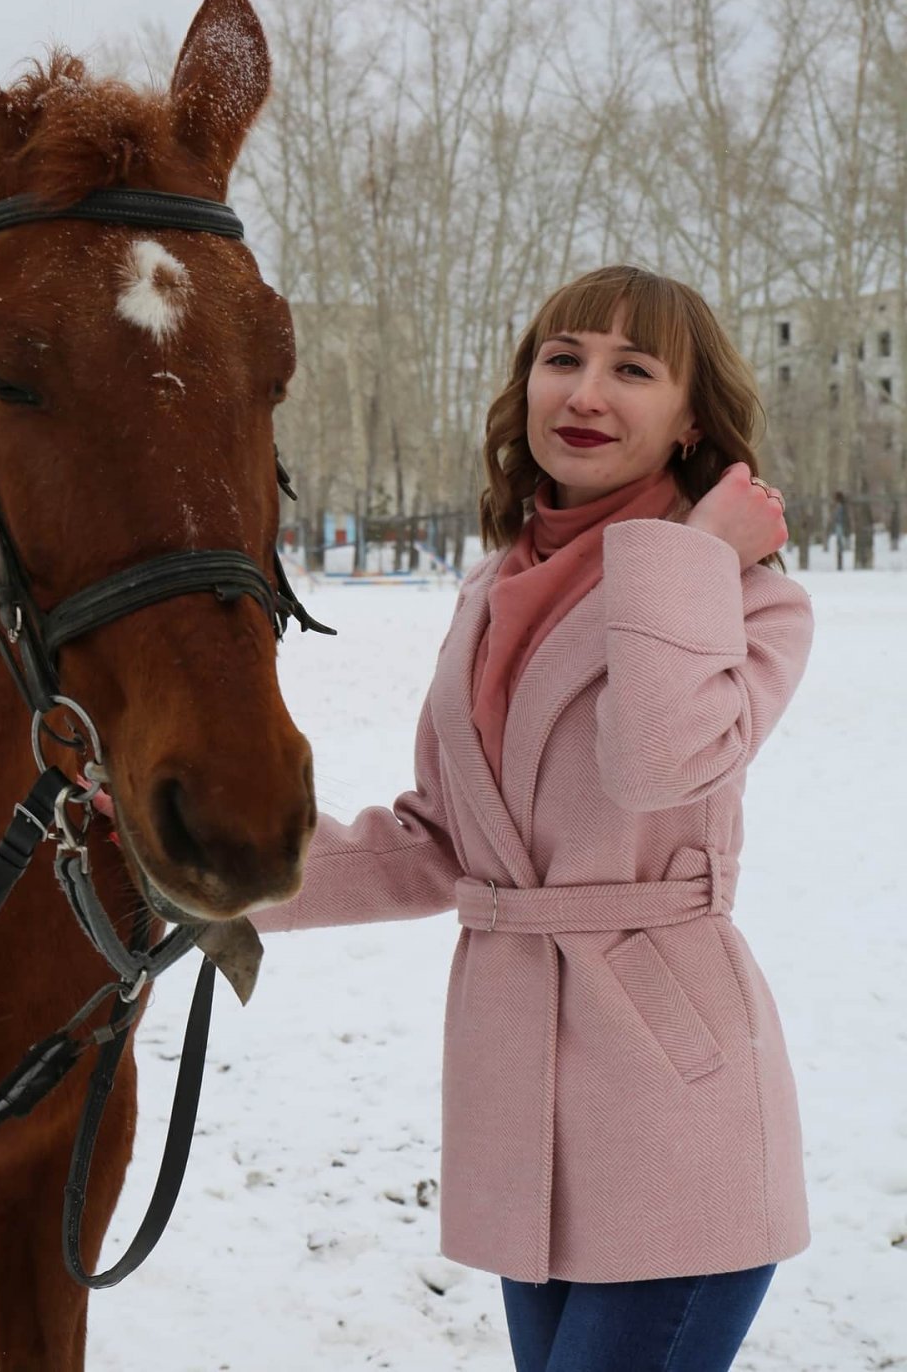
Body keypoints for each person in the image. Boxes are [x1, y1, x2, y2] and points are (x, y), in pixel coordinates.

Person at [251, 265, 812, 1372]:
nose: (585, 392)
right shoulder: (494, 590)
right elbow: (440, 843)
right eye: (564, 358)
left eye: (633, 369)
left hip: (671, 1112)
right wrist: (202, 870)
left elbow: (655, 761)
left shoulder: (749, 600)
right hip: (521, 1119)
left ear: (693, 418)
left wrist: (694, 550)